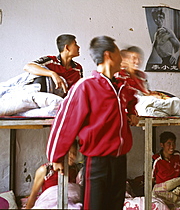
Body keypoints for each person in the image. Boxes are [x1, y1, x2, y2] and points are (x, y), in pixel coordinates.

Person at [46, 36, 139, 210]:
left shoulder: (121, 87)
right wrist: (56, 156)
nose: (122, 58)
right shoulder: (86, 86)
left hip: (120, 161)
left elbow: (131, 101)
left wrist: (133, 113)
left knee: (115, 205)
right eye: (119, 52)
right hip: (98, 163)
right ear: (108, 55)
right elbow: (65, 122)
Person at [25, 140, 80, 209]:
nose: (72, 156)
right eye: (69, 153)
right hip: (49, 203)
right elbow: (33, 195)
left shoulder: (76, 169)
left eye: (74, 153)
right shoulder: (45, 170)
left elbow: (77, 192)